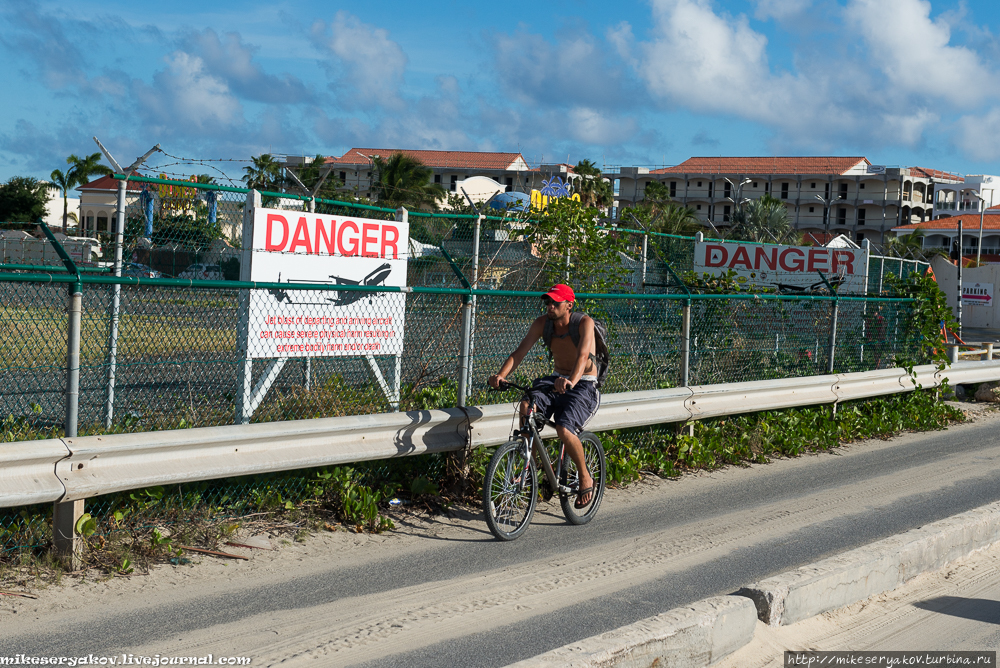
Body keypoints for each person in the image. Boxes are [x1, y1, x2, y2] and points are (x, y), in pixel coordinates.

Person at [488, 284, 599, 508]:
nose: (550, 306)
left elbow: (583, 356)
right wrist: (500, 375)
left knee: (563, 429)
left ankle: (585, 476)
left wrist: (571, 381)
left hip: (583, 383)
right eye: (548, 302)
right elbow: (519, 353)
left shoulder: (584, 323)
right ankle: (530, 467)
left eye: (555, 302)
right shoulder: (542, 324)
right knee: (527, 404)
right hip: (557, 378)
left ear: (569, 305)